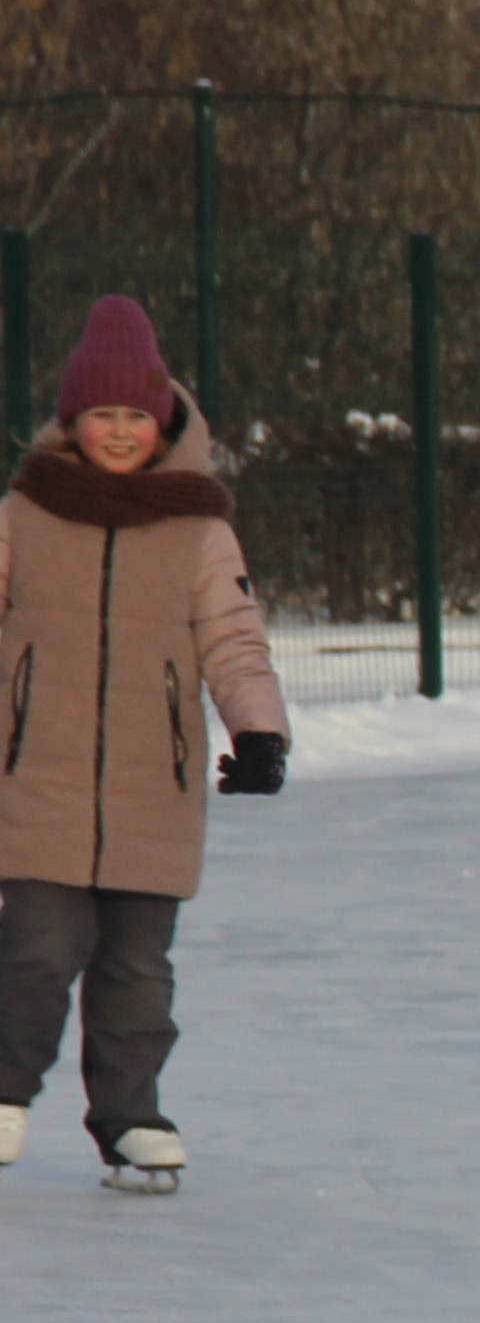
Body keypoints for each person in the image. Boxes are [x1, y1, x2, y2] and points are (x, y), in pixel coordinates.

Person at [0, 297, 291, 1193]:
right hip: (34, 781)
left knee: (137, 969)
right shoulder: (24, 515)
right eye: (100, 416)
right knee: (38, 954)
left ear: (161, 422)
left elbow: (233, 641)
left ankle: (130, 1117)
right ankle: (3, 1095)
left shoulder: (199, 527)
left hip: (153, 789)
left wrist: (259, 730)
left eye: (134, 416)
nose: (118, 432)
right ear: (72, 422)